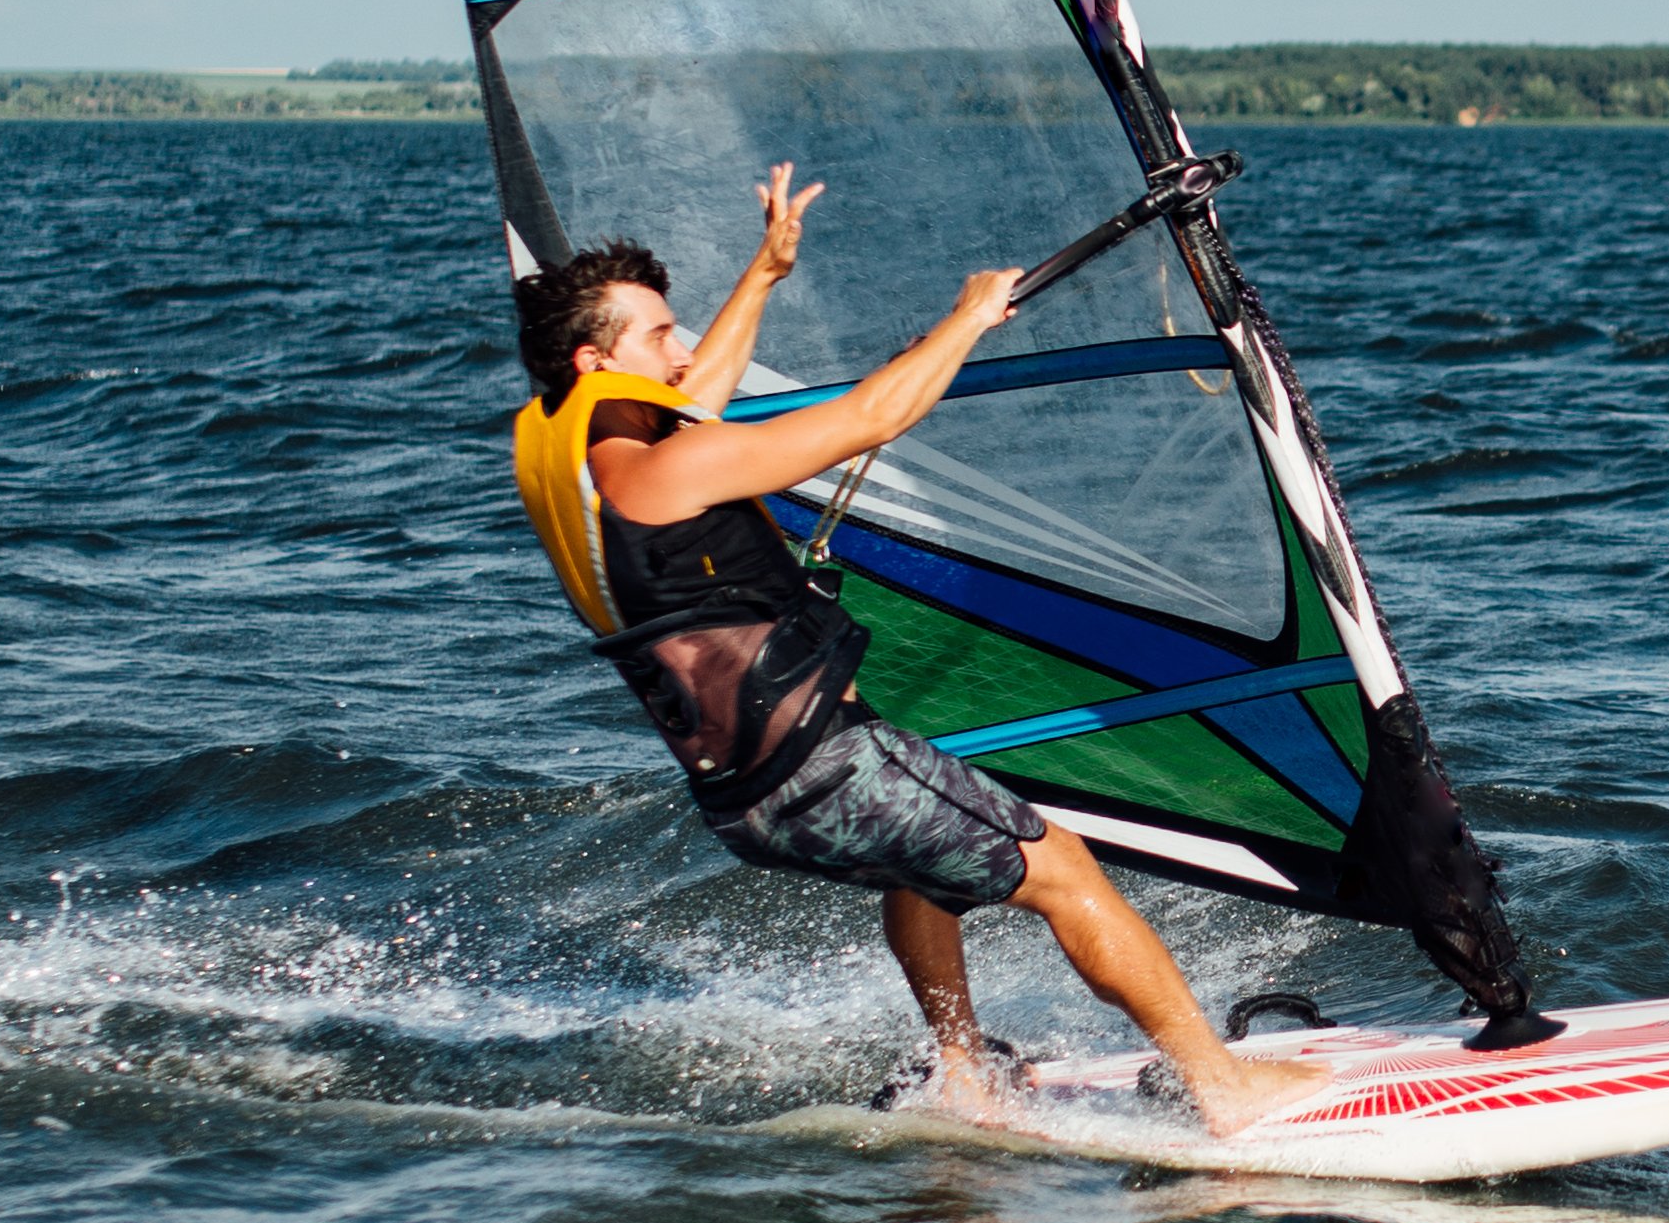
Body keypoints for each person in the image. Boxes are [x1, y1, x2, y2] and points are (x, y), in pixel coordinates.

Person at [508, 166, 1326, 1136]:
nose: (680, 348)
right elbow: (871, 418)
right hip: (821, 763)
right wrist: (966, 320)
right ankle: (1218, 1085)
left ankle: (962, 1068)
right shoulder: (671, 469)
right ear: (597, 360)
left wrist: (763, 274)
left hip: (741, 794)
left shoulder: (577, 451)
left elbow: (697, 387)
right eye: (656, 333)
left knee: (918, 865)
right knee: (1062, 869)